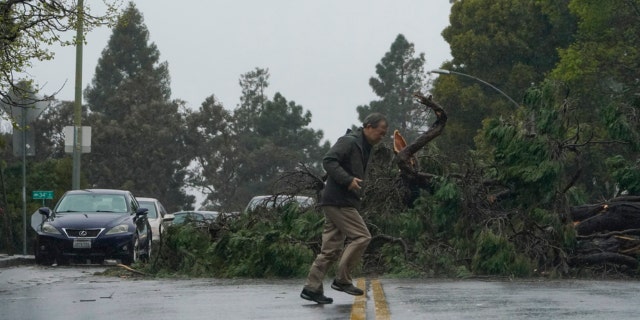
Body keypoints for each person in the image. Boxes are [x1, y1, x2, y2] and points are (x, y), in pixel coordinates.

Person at [300, 112, 388, 304]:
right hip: (339, 201)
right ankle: (342, 279)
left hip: (339, 201)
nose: (382, 137)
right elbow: (328, 161)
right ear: (369, 127)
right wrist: (348, 181)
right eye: (381, 132)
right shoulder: (349, 141)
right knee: (362, 236)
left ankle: (311, 288)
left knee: (330, 249)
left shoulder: (365, 146)